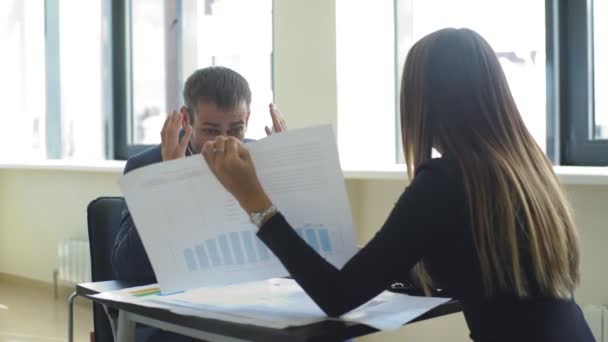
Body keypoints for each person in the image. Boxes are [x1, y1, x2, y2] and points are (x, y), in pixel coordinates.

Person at [202, 29, 595, 341]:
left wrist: (252, 198)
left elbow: (337, 297)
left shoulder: (446, 182)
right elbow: (465, 263)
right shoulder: (525, 168)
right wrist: (364, 260)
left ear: (423, 103)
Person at [112, 66, 286, 342]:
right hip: (173, 318)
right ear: (185, 119)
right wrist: (167, 181)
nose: (225, 141)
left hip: (250, 304)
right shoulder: (145, 166)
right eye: (211, 130)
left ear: (248, 119)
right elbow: (128, 267)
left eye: (237, 129)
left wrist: (285, 175)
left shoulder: (259, 161)